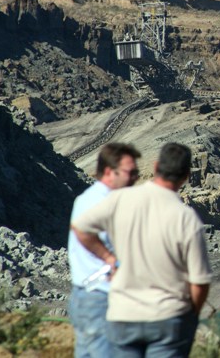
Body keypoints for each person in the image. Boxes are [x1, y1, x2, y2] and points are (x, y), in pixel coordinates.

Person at [72, 142, 212, 357]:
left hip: (123, 315)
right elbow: (200, 281)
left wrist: (109, 258)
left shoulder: (120, 199)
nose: (135, 177)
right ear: (186, 176)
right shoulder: (186, 217)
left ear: (155, 167)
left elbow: (81, 227)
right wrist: (190, 315)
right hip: (167, 318)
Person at [68, 143, 141, 358]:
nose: (136, 177)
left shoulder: (95, 199)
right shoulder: (99, 202)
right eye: (131, 172)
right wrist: (110, 258)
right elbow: (81, 229)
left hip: (91, 297)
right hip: (100, 299)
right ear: (110, 172)